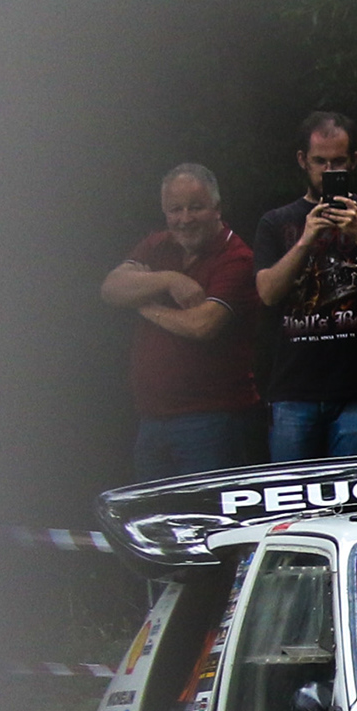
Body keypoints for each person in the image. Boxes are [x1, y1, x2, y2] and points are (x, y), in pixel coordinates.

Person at [250, 110, 357, 460]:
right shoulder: (276, 222)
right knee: (293, 503)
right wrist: (306, 239)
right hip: (294, 388)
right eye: (320, 161)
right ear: (302, 160)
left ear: (353, 161)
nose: (329, 171)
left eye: (338, 162)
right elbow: (267, 292)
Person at [98, 160, 259, 478]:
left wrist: (143, 304)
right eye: (175, 210)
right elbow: (110, 288)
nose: (184, 219)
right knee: (154, 522)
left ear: (217, 208)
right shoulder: (157, 245)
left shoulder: (237, 257)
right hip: (151, 420)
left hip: (212, 421)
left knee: (205, 519)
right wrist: (168, 280)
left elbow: (202, 325)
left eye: (195, 208)